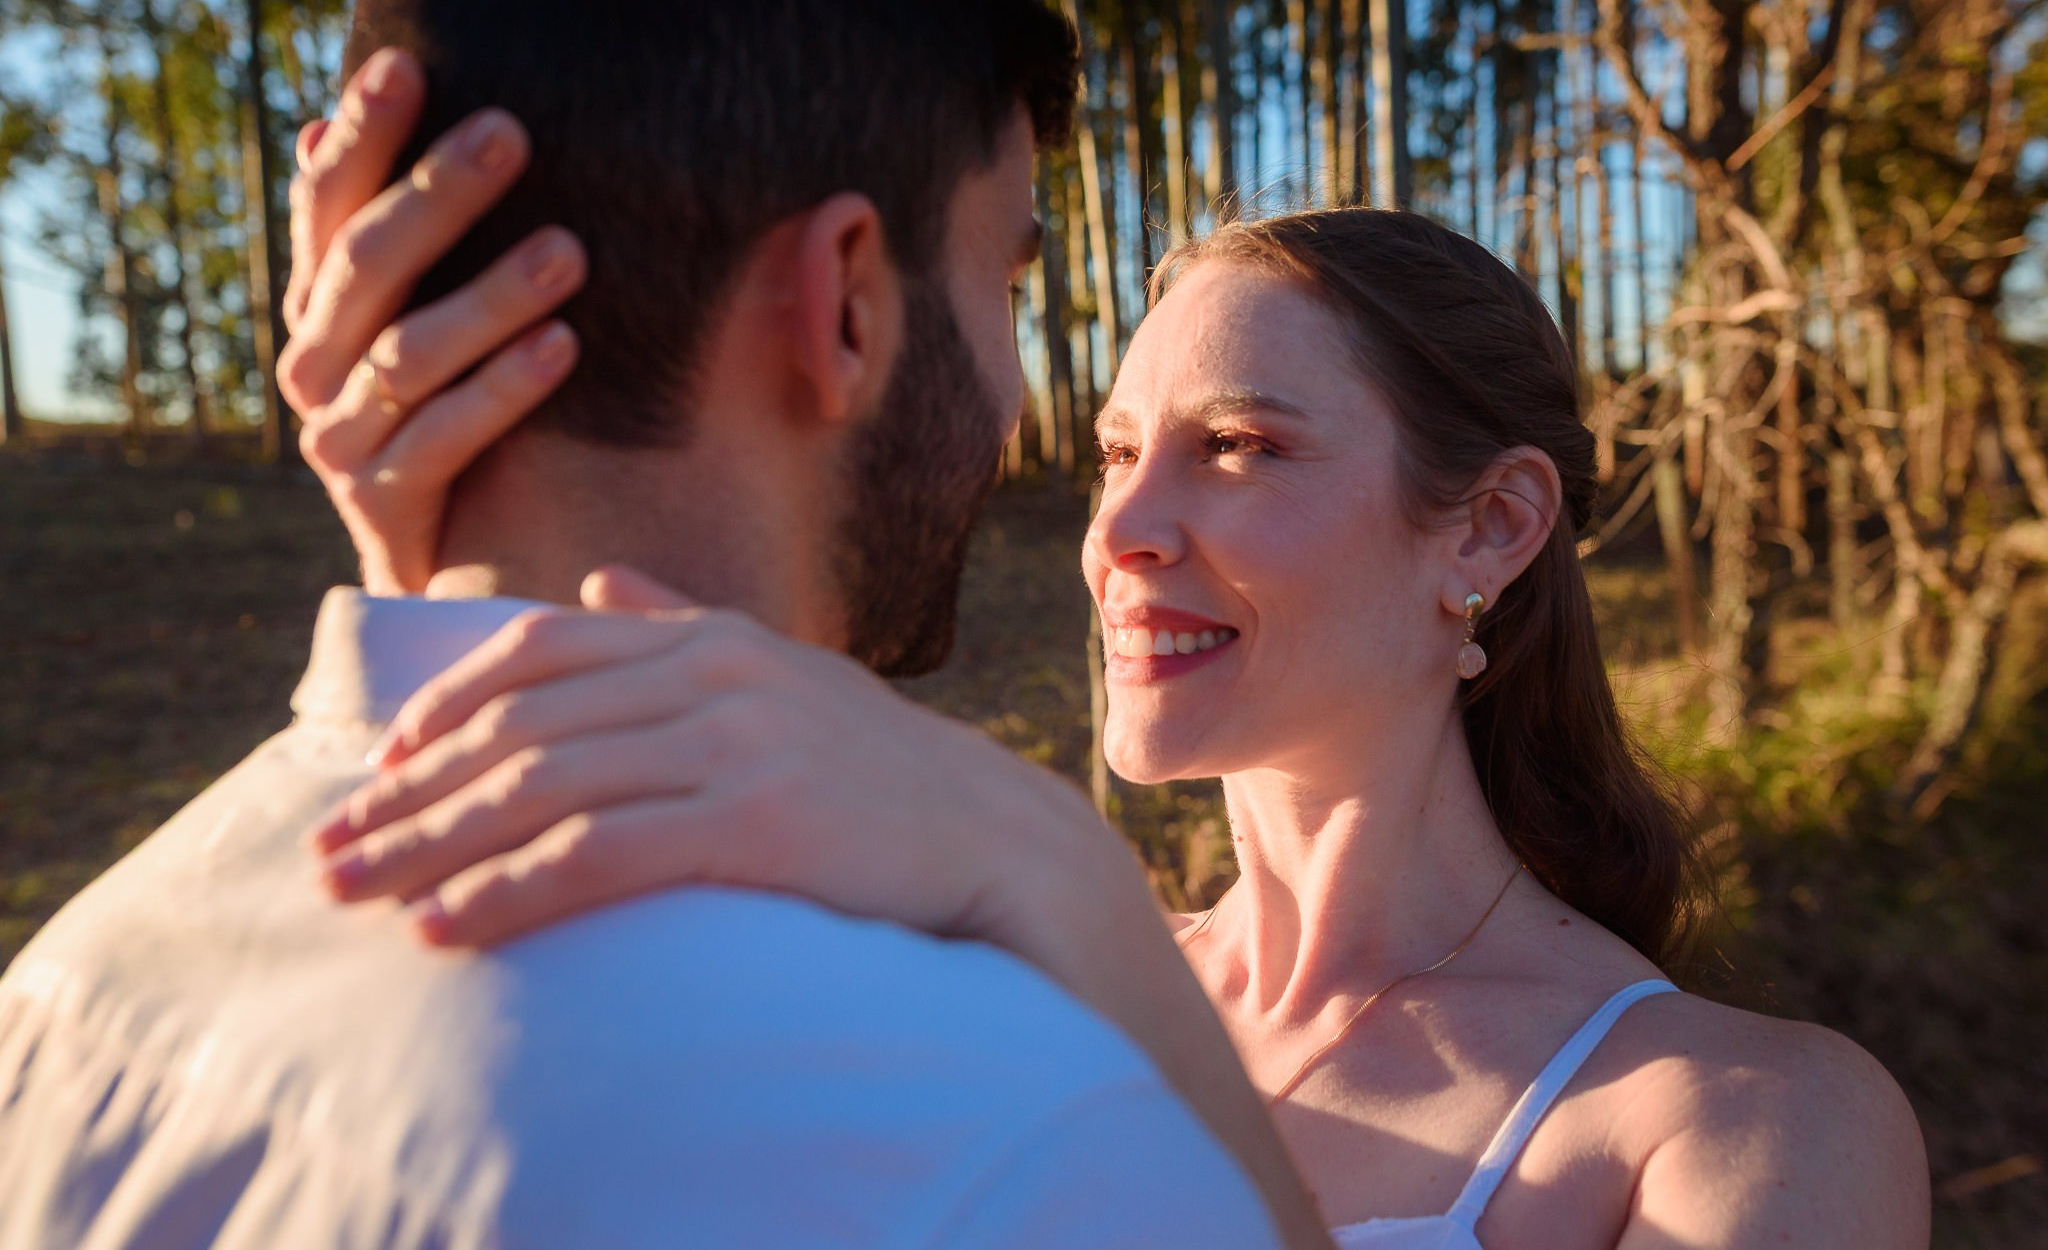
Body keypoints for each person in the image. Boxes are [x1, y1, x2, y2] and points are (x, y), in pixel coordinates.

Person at [280, 106, 1935, 1245]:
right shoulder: (1002, 989)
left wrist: (1051, 874)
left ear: (1488, 530)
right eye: (1118, 454)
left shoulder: (1744, 1129)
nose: (1121, 530)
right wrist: (444, 561)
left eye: (1238, 448)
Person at [0, 0, 1327, 1246]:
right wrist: (1077, 877)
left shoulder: (63, 997)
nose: (1008, 396)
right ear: (849, 303)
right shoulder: (1015, 1147)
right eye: (1004, 281)